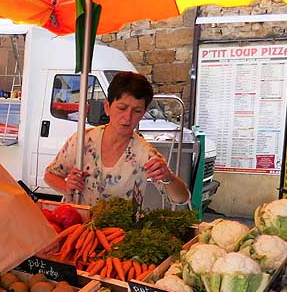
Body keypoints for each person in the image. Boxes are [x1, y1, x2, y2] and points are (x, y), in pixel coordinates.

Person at [44, 71, 190, 206]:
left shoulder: (145, 154)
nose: (127, 117)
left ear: (143, 113)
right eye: (121, 108)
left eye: (137, 111)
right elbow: (50, 175)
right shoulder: (82, 140)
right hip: (75, 223)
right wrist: (67, 187)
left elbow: (181, 199)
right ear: (107, 107)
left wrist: (168, 177)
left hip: (117, 231)